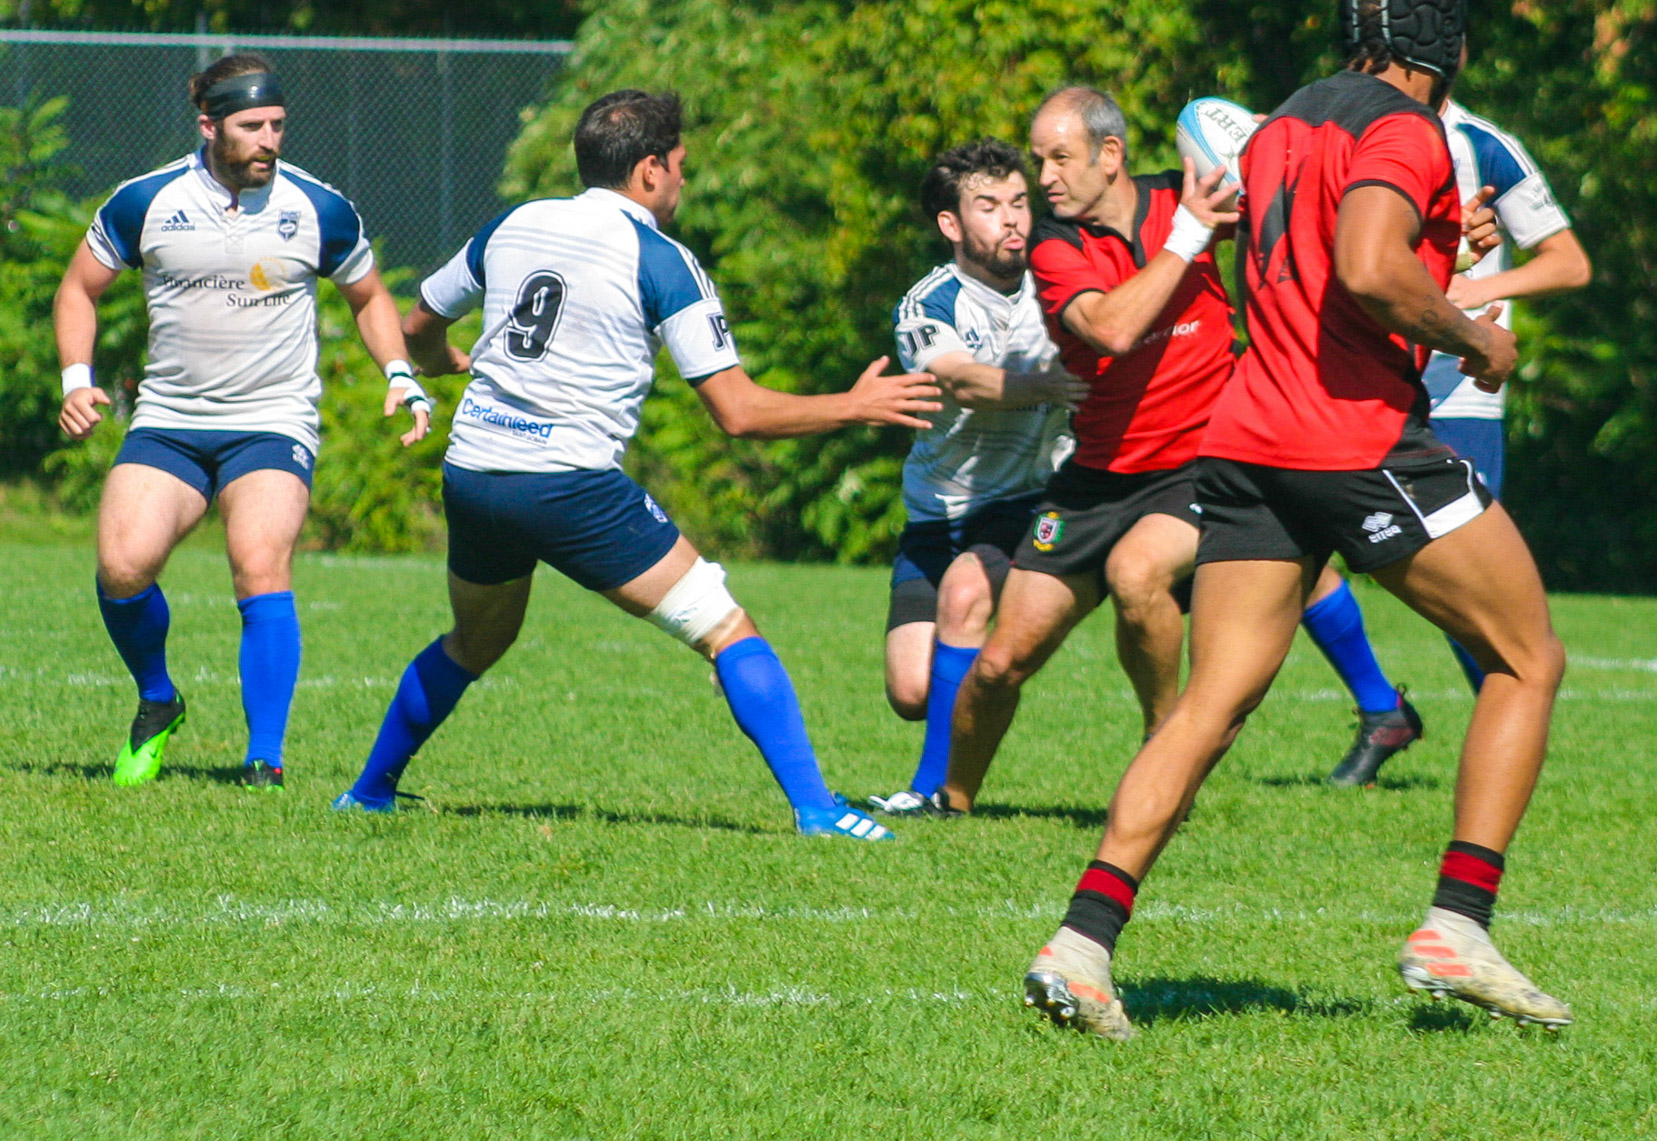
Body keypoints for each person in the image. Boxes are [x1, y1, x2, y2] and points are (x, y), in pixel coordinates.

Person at [1021, 0, 1573, 1039]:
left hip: (1245, 439)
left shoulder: (1278, 125)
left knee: (1210, 705)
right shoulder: (1406, 129)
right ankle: (1458, 924)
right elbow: (1364, 268)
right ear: (1449, 40)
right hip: (1353, 438)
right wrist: (1476, 337)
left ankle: (1080, 944)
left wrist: (1435, 243)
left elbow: (1312, 258)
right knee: (1527, 658)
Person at [331, 89, 936, 841]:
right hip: (568, 484)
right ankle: (818, 810)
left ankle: (368, 791)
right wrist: (855, 405)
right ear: (650, 169)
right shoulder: (662, 259)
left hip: (475, 470)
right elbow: (738, 412)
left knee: (475, 640)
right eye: (680, 165)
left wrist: (446, 361)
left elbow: (419, 324)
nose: (683, 180)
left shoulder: (514, 223)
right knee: (728, 629)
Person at [53, 53, 432, 791]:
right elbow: (78, 290)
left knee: (259, 561)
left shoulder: (319, 207)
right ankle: (158, 699)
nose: (269, 140)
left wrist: (399, 372)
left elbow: (369, 297)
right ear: (209, 126)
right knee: (122, 568)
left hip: (272, 418)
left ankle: (264, 759)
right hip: (170, 417)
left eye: (278, 125)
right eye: (252, 126)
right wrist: (77, 379)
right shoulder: (145, 201)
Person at [934, 86, 1239, 814]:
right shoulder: (1054, 245)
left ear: (1110, 154)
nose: (1043, 177)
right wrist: (1189, 238)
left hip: (1197, 465)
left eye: (1059, 158)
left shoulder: (1185, 199)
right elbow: (1109, 330)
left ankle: (1166, 750)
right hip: (1094, 481)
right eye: (1038, 159)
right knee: (1000, 664)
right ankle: (953, 803)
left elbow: (1310, 235)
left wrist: (1455, 252)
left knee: (1138, 574)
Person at [1314, 84, 1591, 788]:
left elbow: (1569, 262)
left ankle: (1510, 740)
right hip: (1360, 380)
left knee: (1467, 587)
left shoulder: (1482, 146)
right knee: (1301, 550)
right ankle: (1382, 708)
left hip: (1456, 390)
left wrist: (1472, 290)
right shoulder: (1345, 130)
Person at [869, 139, 1084, 816]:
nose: (1012, 218)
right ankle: (977, 701)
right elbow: (960, 381)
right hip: (936, 513)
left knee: (966, 594)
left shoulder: (1060, 280)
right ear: (952, 224)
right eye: (989, 206)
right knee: (910, 691)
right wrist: (1049, 384)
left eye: (1019, 202)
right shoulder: (929, 303)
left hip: (1030, 498)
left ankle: (936, 794)